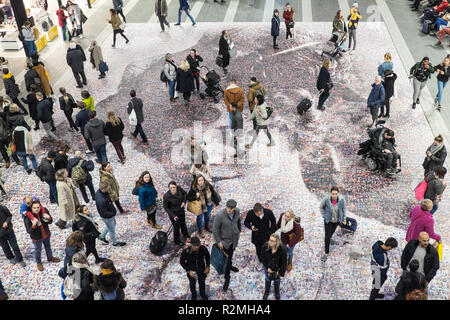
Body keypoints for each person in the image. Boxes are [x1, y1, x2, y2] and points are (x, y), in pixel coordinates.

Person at [212, 199, 241, 292]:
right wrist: (218, 241)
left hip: (234, 240)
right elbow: (215, 230)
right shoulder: (220, 216)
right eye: (228, 207)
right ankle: (227, 278)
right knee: (226, 260)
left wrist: (238, 230)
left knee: (230, 256)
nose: (229, 209)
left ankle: (230, 265)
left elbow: (238, 221)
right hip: (224, 242)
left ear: (234, 208)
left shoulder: (237, 212)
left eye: (231, 208)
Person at [23, 200, 61, 271]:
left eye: (38, 207)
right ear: (31, 208)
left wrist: (49, 218)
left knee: (48, 246)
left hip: (46, 234)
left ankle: (50, 257)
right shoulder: (27, 218)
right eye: (34, 208)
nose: (36, 209)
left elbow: (50, 221)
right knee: (38, 250)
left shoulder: (45, 211)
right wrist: (34, 225)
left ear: (40, 207)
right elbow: (29, 231)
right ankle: (39, 262)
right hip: (36, 238)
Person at [244, 203, 277, 267]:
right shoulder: (250, 213)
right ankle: (261, 261)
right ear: (254, 211)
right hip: (256, 236)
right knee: (258, 250)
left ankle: (268, 261)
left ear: (262, 209)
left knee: (268, 249)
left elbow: (273, 222)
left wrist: (271, 232)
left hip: (267, 235)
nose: (259, 215)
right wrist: (251, 227)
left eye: (260, 213)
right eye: (257, 214)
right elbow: (246, 222)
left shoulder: (269, 212)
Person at [320, 186, 347, 261]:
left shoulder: (342, 200)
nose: (334, 195)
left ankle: (329, 238)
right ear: (330, 193)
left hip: (337, 221)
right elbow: (321, 207)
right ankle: (326, 253)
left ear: (338, 194)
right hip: (328, 221)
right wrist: (324, 216)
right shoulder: (326, 199)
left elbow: (344, 210)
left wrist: (344, 219)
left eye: (335, 194)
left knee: (331, 233)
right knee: (327, 236)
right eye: (333, 194)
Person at [95, 182, 126, 247]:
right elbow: (104, 213)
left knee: (112, 225)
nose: (109, 189)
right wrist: (113, 213)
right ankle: (115, 243)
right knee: (112, 230)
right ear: (103, 189)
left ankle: (102, 236)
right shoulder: (101, 200)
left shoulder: (100, 192)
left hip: (108, 214)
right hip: (107, 217)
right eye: (108, 188)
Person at [261, 233, 287, 300]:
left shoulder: (282, 249)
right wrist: (267, 267)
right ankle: (266, 292)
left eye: (272, 241)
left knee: (277, 279)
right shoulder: (265, 246)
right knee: (267, 279)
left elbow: (284, 262)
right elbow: (262, 258)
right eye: (270, 240)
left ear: (277, 241)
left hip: (277, 269)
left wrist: (281, 272)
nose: (270, 242)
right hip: (268, 267)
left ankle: (277, 292)